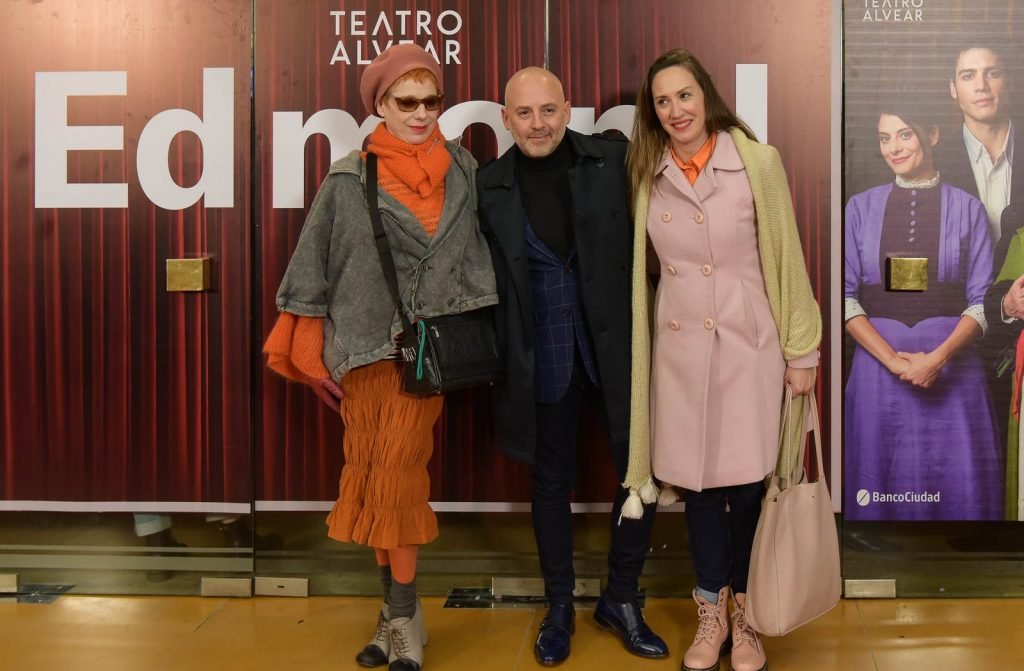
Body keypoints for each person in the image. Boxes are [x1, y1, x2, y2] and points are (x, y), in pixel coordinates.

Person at [263, 44, 497, 671]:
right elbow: (312, 265)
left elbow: (484, 249)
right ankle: (396, 615)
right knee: (372, 480)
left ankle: (401, 616)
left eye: (431, 101)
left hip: (428, 355)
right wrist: (310, 354)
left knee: (396, 478)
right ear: (381, 106)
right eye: (406, 101)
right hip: (365, 352)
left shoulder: (464, 169)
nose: (420, 113)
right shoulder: (349, 178)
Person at [625, 49, 821, 671]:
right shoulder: (645, 171)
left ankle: (748, 616)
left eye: (684, 95)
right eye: (662, 100)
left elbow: (787, 257)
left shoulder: (757, 161)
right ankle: (710, 610)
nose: (675, 110)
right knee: (699, 488)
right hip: (680, 353)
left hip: (748, 346)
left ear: (706, 95)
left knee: (748, 484)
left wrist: (802, 350)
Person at [476, 67, 668, 666]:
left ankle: (621, 598)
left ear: (567, 109)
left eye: (548, 110)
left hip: (618, 351)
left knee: (639, 473)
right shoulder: (488, 185)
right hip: (541, 358)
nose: (538, 124)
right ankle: (559, 607)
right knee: (551, 483)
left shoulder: (613, 164)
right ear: (506, 119)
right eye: (524, 113)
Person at [843, 106, 1003, 523]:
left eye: (904, 135)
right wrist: (893, 361)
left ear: (931, 135)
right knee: (877, 497)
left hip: (952, 372)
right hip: (878, 373)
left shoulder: (969, 209)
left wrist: (937, 359)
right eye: (884, 138)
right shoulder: (859, 208)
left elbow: (983, 302)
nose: (893, 148)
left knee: (958, 498)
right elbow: (844, 298)